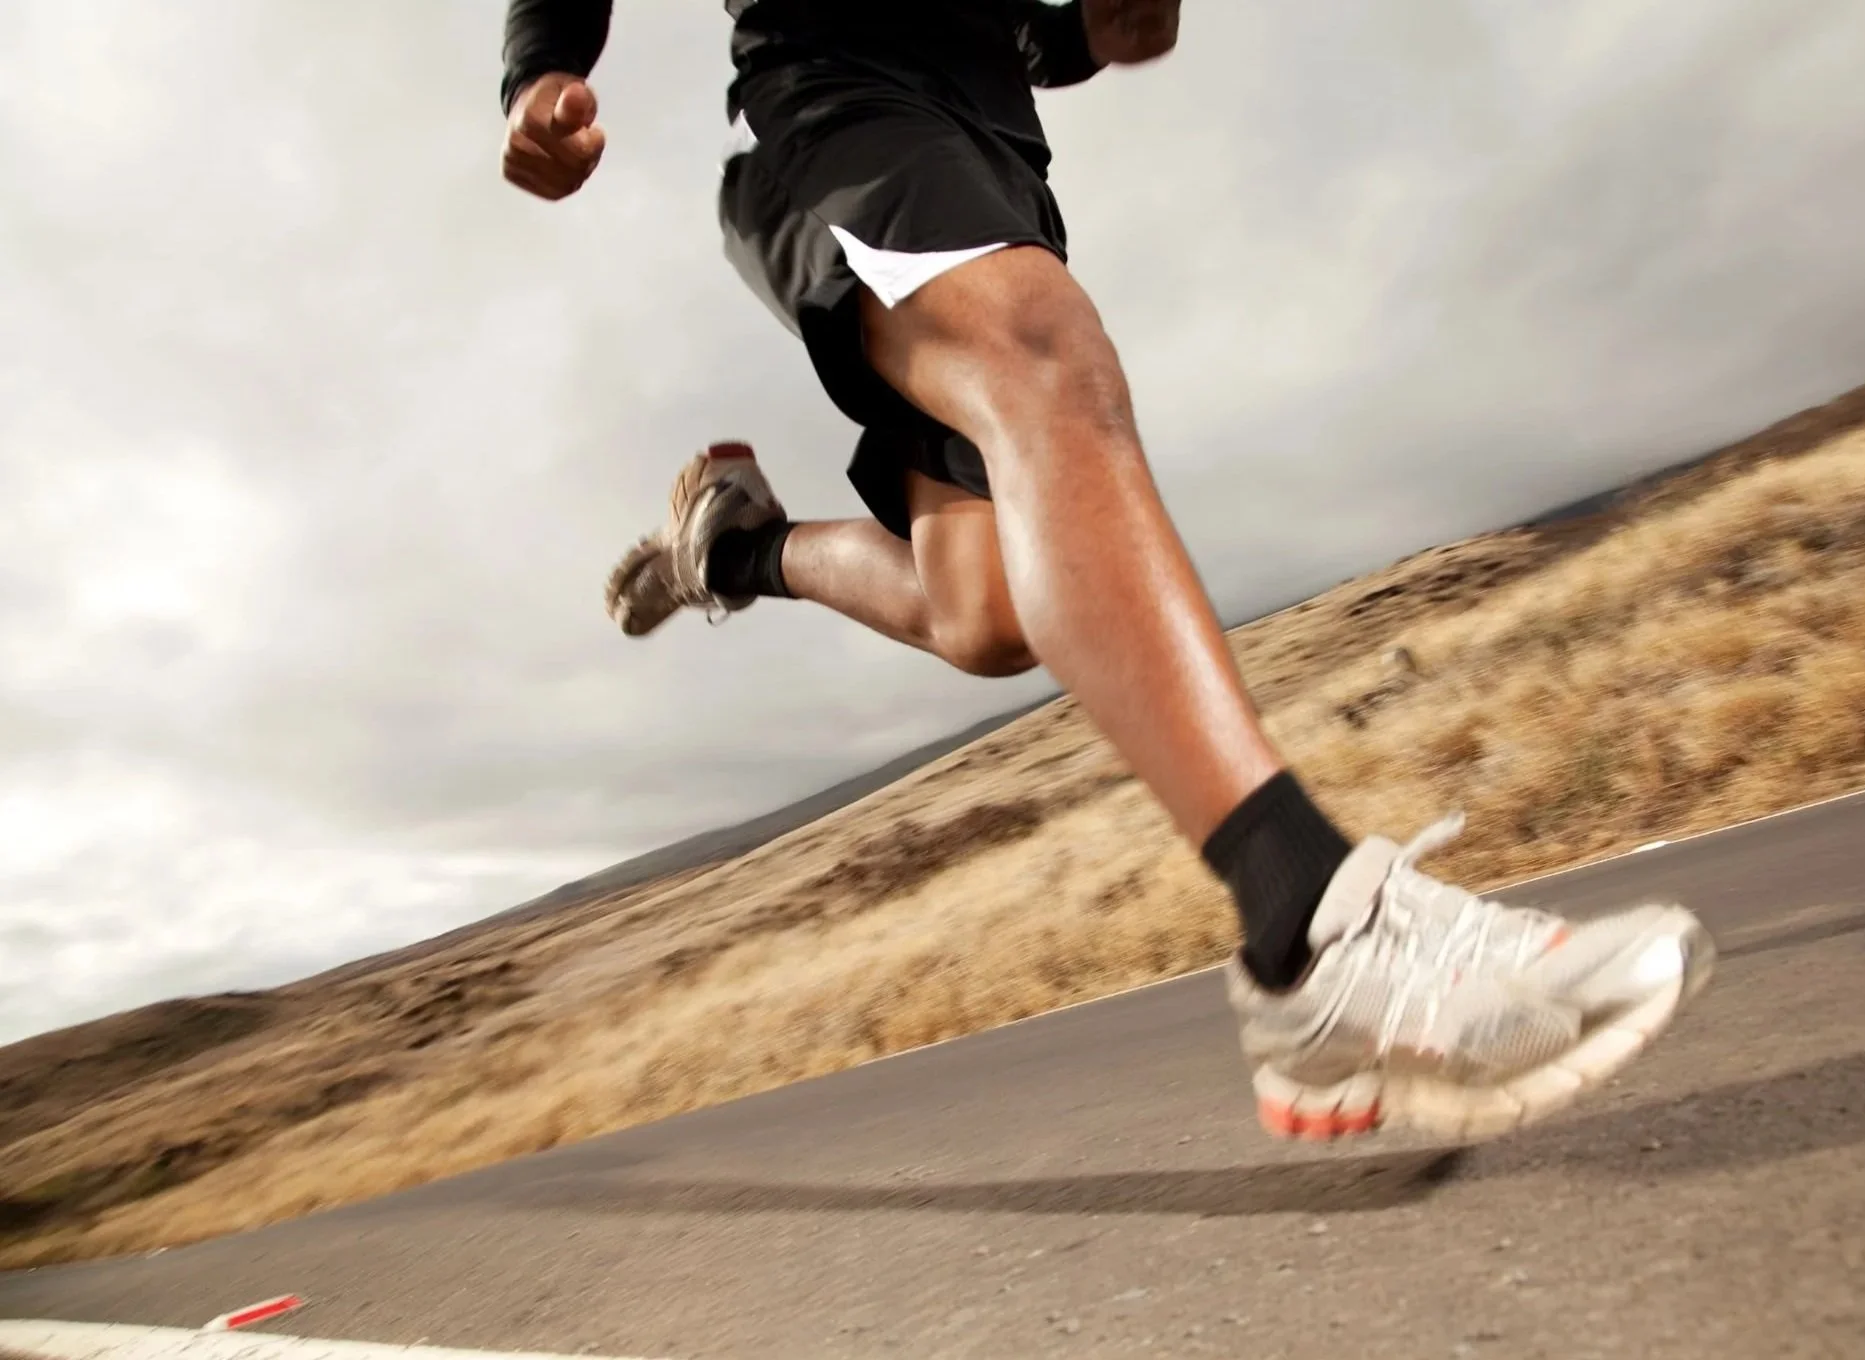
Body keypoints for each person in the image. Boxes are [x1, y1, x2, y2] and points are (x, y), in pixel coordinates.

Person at [497, 0, 1714, 1144]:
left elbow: (1050, 30)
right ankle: (1309, 928)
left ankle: (738, 547)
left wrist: (1099, 23)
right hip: (839, 113)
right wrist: (545, 59)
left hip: (990, 161)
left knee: (984, 615)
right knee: (1041, 354)